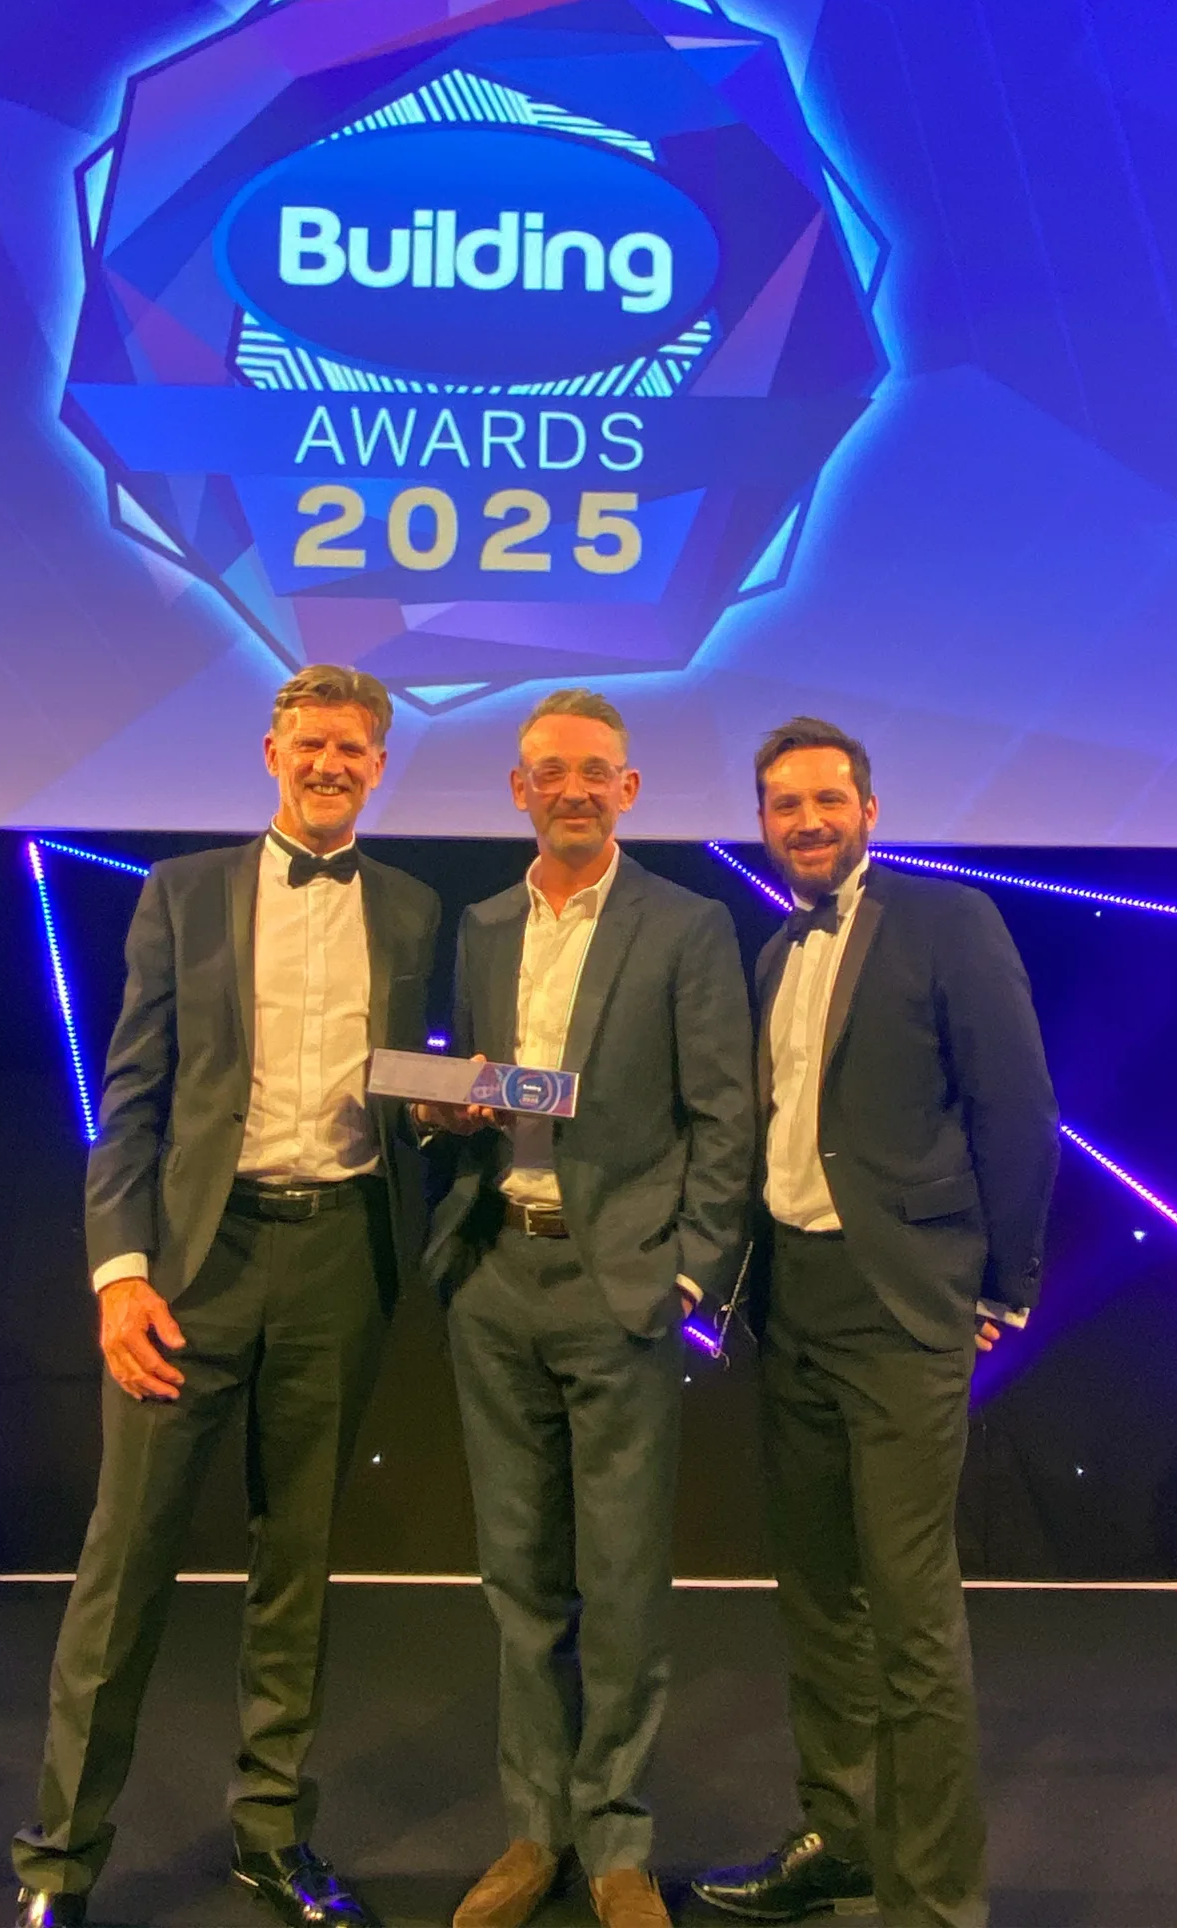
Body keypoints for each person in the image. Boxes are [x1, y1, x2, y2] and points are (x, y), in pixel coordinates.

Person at [11, 665, 441, 1928]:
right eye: (310, 742)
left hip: (339, 1260)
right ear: (270, 751)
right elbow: (132, 1100)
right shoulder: (182, 892)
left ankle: (271, 1834)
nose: (329, 763)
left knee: (295, 1565)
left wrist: (450, 1106)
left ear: (380, 763)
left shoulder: (412, 907)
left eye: (353, 747)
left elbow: (415, 1082)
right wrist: (121, 1272)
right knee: (124, 1563)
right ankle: (61, 1858)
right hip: (193, 1265)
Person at [693, 718, 1058, 1928]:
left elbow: (1017, 1108)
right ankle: (839, 1836)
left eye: (825, 799)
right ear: (763, 823)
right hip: (788, 1305)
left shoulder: (951, 922)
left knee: (910, 1612)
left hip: (901, 1309)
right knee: (817, 1597)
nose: (806, 820)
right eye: (783, 804)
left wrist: (1002, 1285)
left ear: (870, 807)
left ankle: (938, 1900)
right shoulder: (767, 952)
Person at [417, 689, 755, 1928]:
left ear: (630, 789)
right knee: (518, 1580)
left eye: (595, 771)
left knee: (617, 1581)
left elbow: (728, 1114)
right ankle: (533, 1829)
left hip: (620, 1283)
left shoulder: (689, 925)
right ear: (519, 789)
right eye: (549, 769)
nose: (572, 787)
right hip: (495, 1274)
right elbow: (486, 1084)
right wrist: (447, 1109)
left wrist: (689, 1268)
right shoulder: (485, 922)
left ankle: (617, 1840)